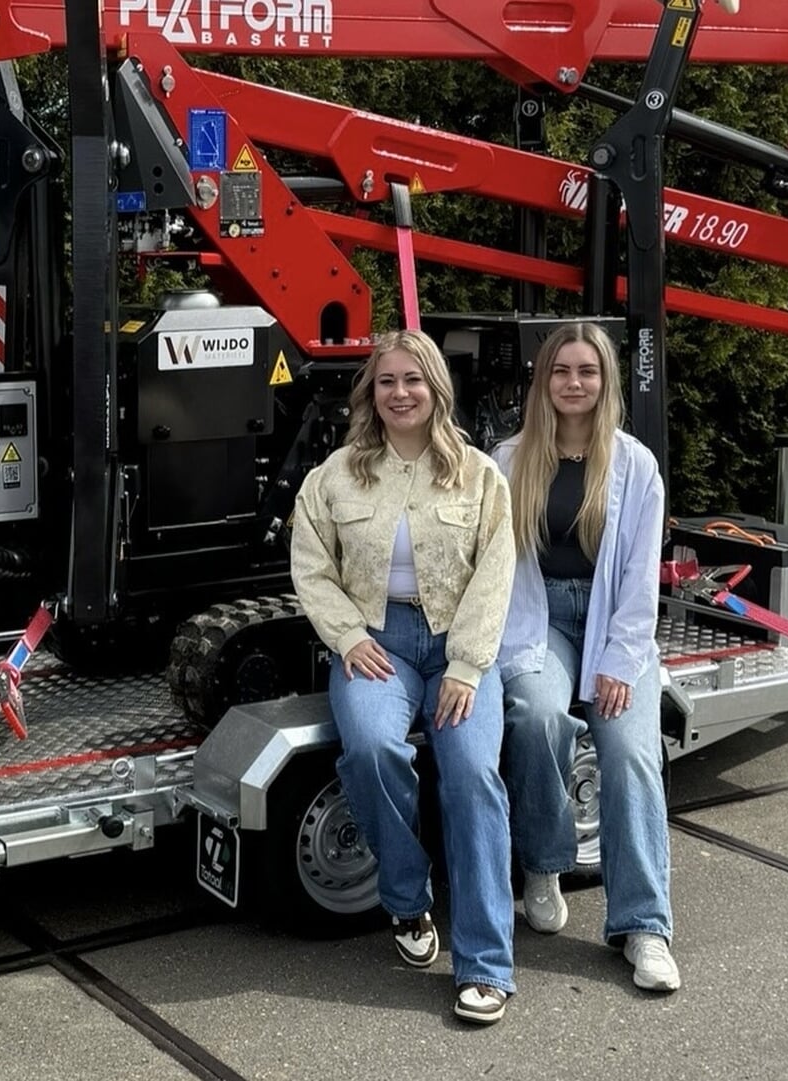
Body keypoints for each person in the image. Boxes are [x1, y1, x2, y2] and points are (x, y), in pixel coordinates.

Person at [289, 328, 519, 1025]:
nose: (400, 393)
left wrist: (470, 664)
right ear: (371, 393)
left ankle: (485, 965)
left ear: (437, 389)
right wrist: (349, 634)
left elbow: (497, 569)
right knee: (371, 747)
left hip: (458, 644)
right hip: (376, 645)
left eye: (413, 380)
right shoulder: (335, 476)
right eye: (386, 381)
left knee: (473, 774)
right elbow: (310, 564)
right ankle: (408, 895)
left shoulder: (479, 474)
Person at [492, 321, 680, 992]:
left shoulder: (635, 464)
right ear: (542, 380)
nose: (574, 382)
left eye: (587, 371)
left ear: (606, 381)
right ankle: (544, 863)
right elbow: (496, 566)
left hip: (612, 623)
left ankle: (644, 925)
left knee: (630, 751)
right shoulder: (507, 461)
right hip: (536, 616)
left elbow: (638, 576)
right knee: (539, 714)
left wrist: (621, 660)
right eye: (561, 370)